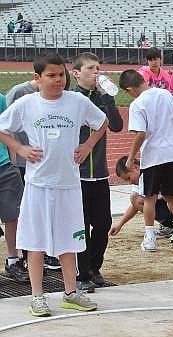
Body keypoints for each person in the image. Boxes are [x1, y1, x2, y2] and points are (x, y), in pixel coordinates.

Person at [0, 53, 108, 317]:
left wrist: (87, 145)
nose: (58, 80)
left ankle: (71, 293)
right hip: (38, 186)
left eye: (61, 74)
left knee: (68, 242)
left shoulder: (77, 102)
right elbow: (3, 128)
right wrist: (18, 147)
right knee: (35, 242)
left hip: (69, 185)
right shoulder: (27, 104)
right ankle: (37, 296)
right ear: (38, 78)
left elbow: (102, 122)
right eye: (51, 75)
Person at [119, 69, 173, 251]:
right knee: (171, 194)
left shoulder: (137, 104)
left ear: (130, 89)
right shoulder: (165, 94)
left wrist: (130, 157)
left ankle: (150, 237)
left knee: (149, 197)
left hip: (152, 156)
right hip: (171, 154)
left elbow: (140, 134)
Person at [71, 52, 123, 292]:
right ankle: (81, 274)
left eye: (98, 68)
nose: (96, 73)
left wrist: (108, 99)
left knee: (102, 224)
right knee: (81, 225)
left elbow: (117, 125)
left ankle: (94, 267)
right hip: (77, 174)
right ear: (77, 73)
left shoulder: (102, 97)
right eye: (91, 69)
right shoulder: (71, 99)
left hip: (100, 172)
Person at [111, 156, 173, 239]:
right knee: (136, 198)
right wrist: (119, 224)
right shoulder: (138, 183)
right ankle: (169, 227)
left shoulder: (157, 169)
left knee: (170, 193)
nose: (129, 182)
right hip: (170, 206)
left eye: (128, 178)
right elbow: (134, 206)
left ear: (135, 167)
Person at [0, 92, 28, 283]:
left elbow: (6, 130)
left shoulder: (1, 99)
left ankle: (13, 260)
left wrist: (12, 161)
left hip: (4, 166)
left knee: (13, 216)